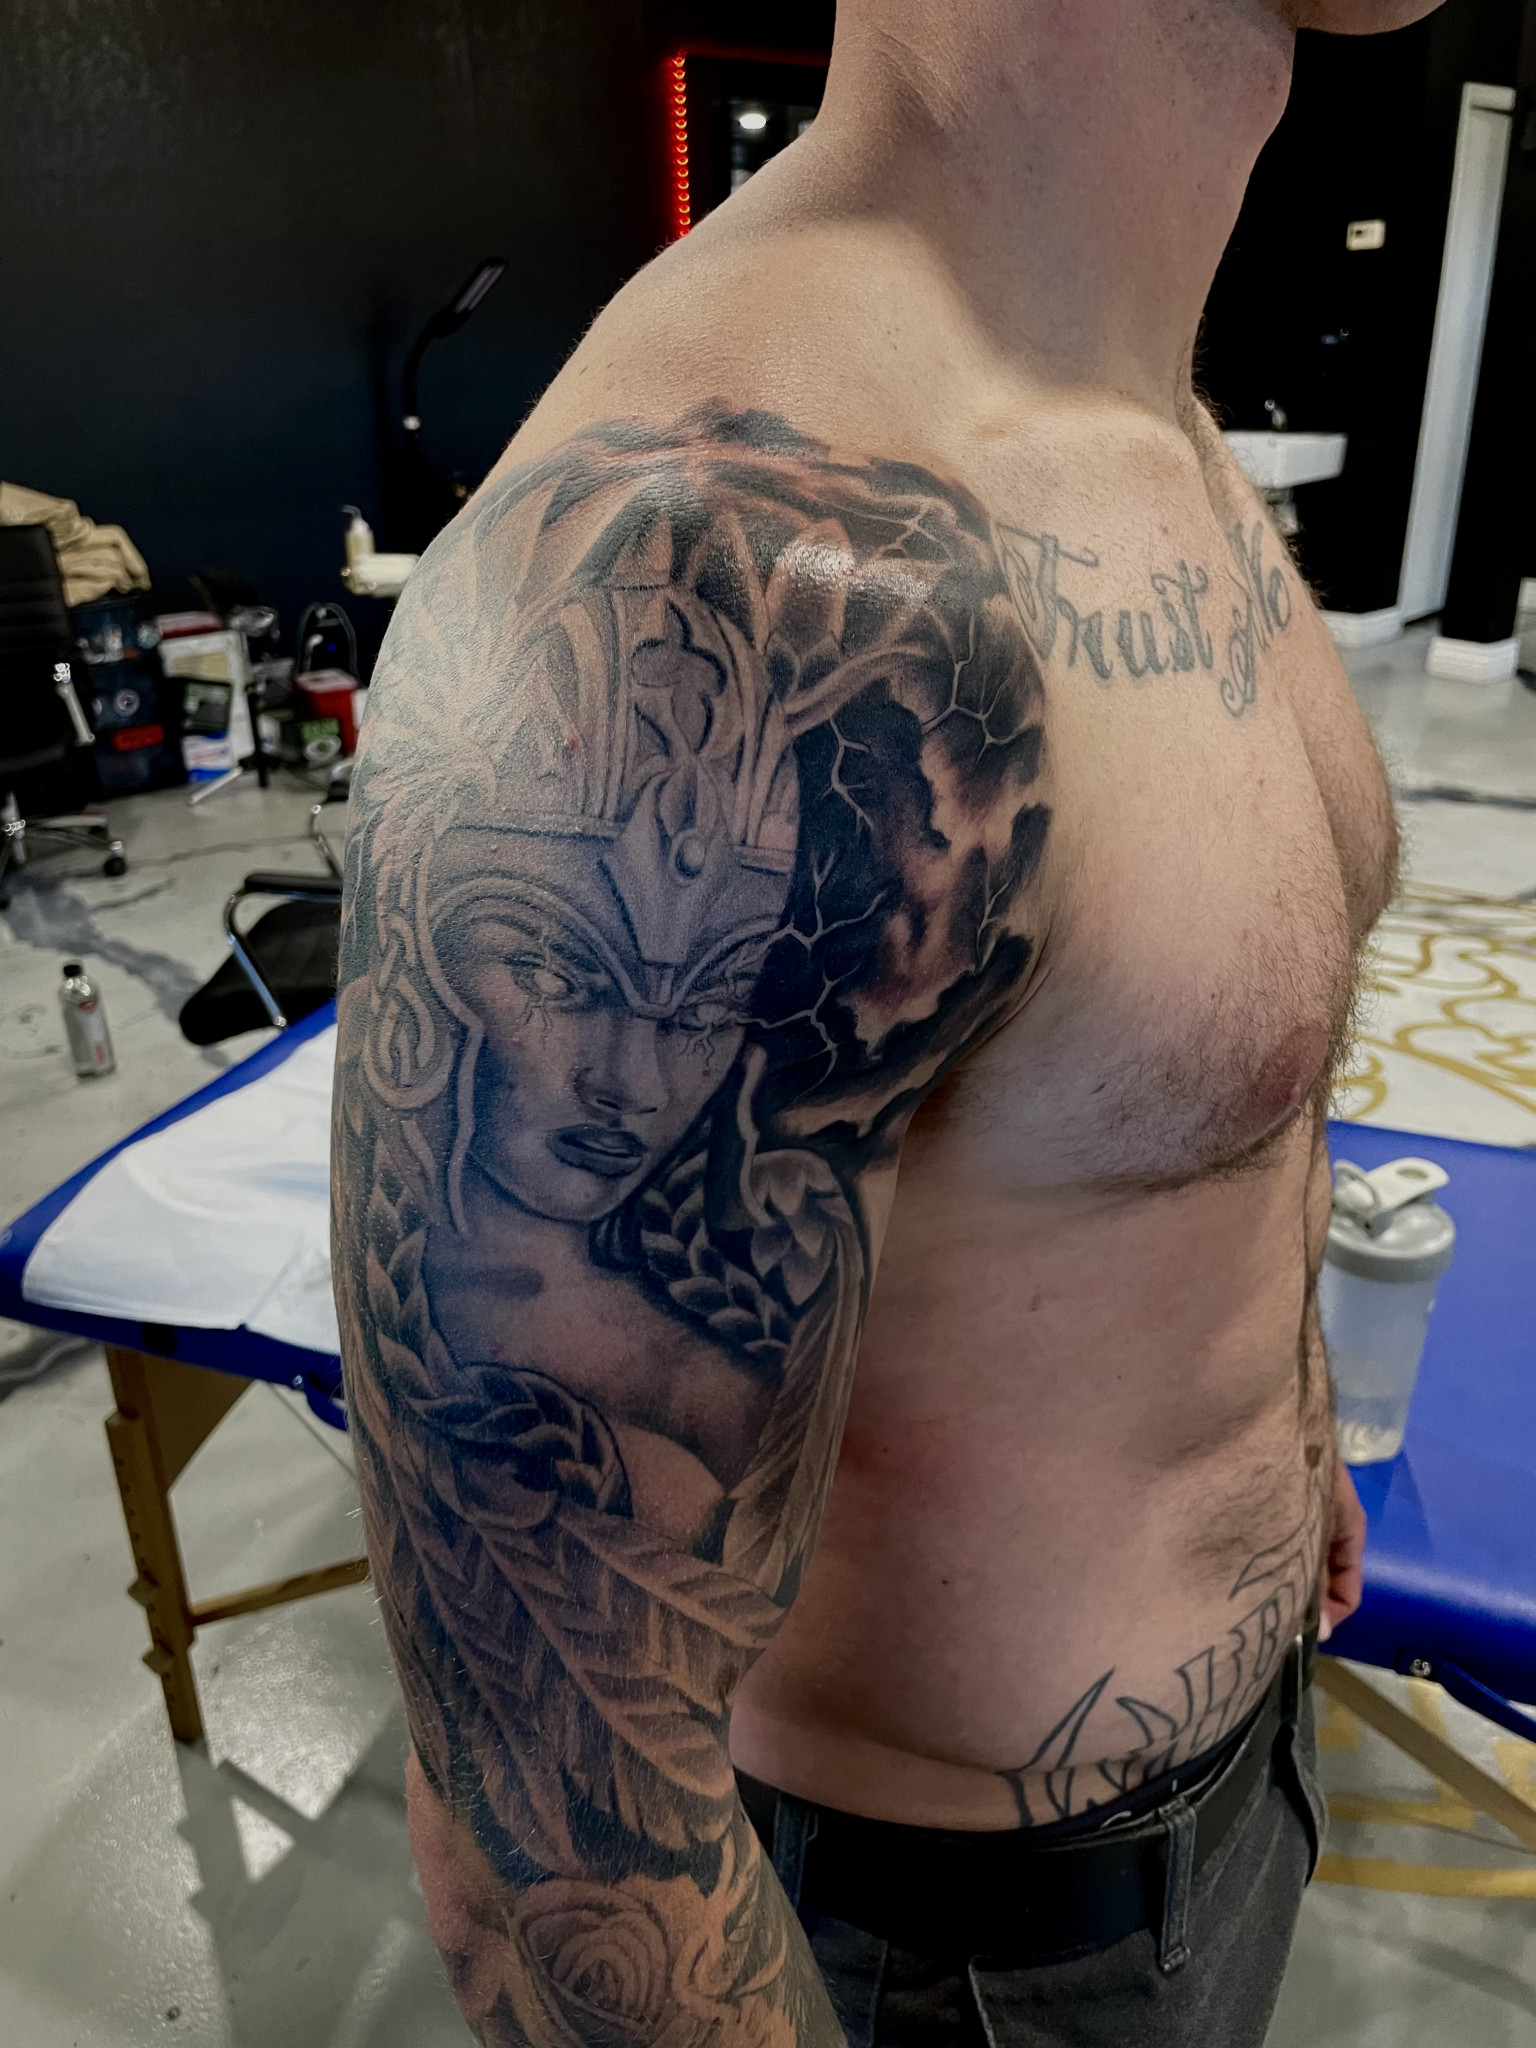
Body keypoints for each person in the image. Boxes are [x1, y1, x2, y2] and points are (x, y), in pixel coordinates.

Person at [331, 2, 1438, 2041]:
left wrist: (1282, 1430)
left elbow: (1141, 1115)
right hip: (940, 1966)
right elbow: (543, 1831)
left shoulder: (1146, 409)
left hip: (1235, 1794)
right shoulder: (727, 561)